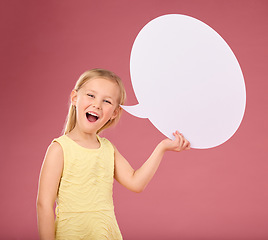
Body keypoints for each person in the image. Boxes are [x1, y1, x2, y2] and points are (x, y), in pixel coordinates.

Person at [36, 68, 190, 240]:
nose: (97, 105)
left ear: (114, 113)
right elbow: (44, 204)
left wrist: (162, 148)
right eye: (91, 95)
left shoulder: (108, 149)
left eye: (107, 101)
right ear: (74, 98)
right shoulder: (60, 149)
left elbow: (136, 182)